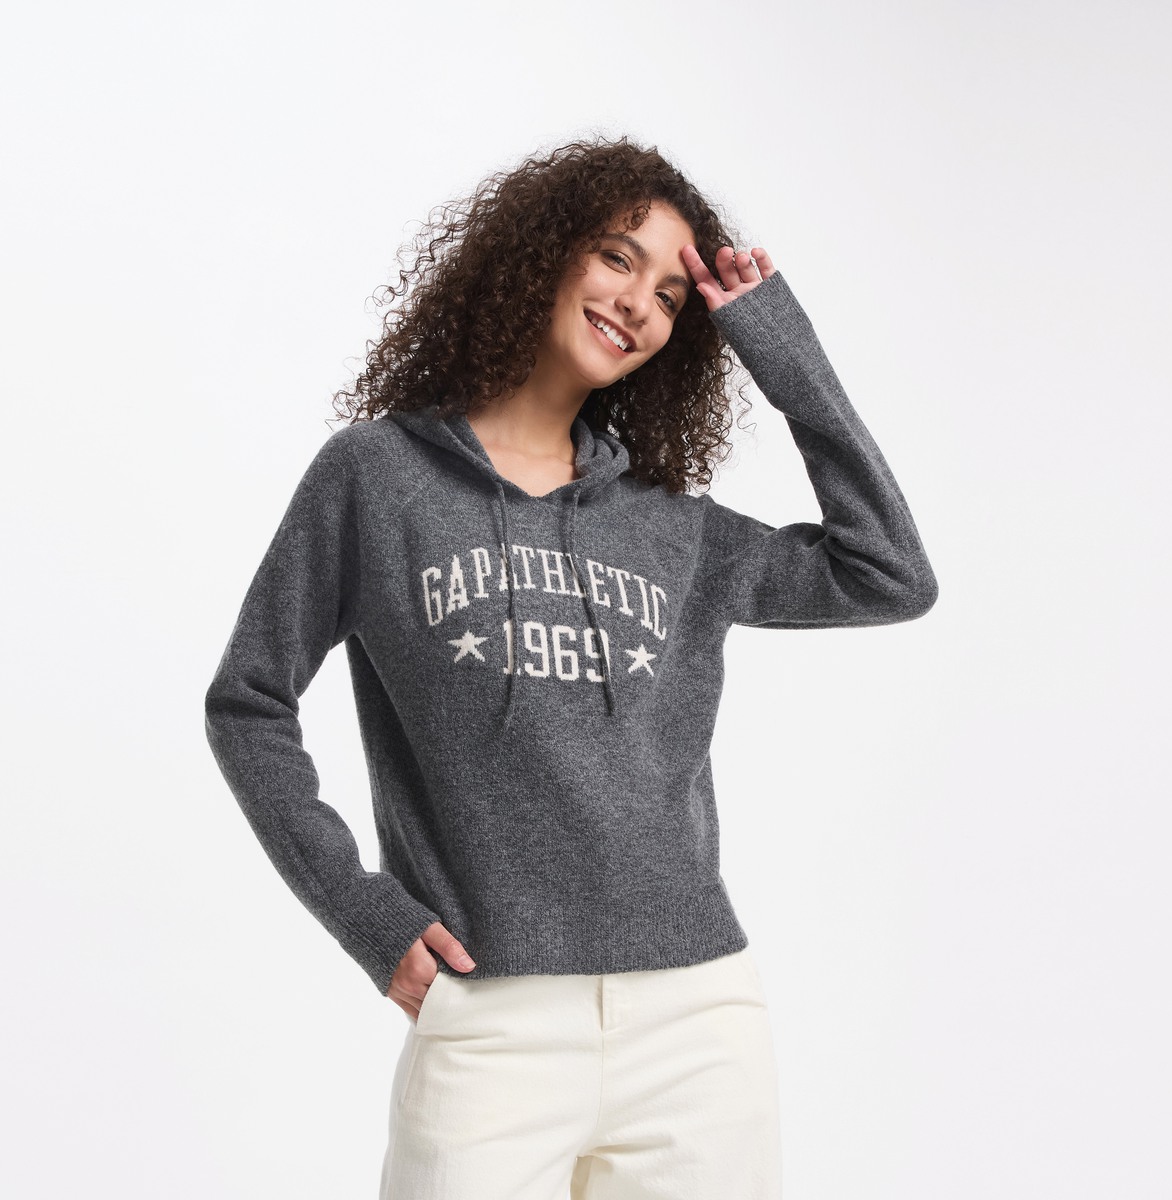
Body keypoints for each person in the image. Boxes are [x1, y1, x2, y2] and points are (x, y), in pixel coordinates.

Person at [203, 135, 938, 1200]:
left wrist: (779, 348)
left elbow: (891, 575)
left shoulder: (674, 527)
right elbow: (248, 702)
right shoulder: (377, 478)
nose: (638, 302)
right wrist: (366, 913)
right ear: (542, 253)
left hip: (699, 1021)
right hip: (488, 1019)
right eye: (616, 256)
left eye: (672, 296)